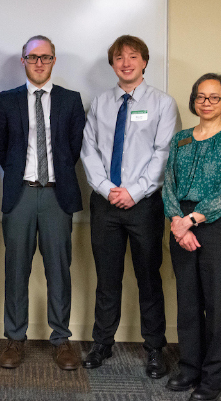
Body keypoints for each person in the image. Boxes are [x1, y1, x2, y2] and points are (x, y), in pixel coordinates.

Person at [80, 35, 177, 376]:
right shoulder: (100, 103)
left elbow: (163, 153)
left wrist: (134, 192)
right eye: (119, 58)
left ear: (144, 61)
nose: (126, 63)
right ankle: (102, 343)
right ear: (112, 64)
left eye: (133, 56)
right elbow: (89, 150)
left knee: (148, 279)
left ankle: (154, 348)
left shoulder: (163, 103)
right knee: (107, 279)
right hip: (105, 203)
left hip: (144, 204)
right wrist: (108, 189)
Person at [0, 35, 85, 370]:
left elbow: (73, 148)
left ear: (53, 60)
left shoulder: (70, 100)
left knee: (58, 270)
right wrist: (23, 174)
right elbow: (1, 147)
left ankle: (61, 339)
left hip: (56, 195)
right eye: (33, 57)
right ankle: (15, 338)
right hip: (20, 193)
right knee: (16, 269)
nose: (39, 63)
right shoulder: (6, 100)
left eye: (45, 57)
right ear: (23, 61)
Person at [162, 74, 221, 401]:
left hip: (218, 223)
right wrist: (176, 219)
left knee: (218, 303)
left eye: (214, 97)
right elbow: (168, 182)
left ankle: (213, 378)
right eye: (200, 96)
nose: (206, 102)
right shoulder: (181, 139)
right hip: (180, 220)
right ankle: (189, 369)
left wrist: (191, 220)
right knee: (188, 301)